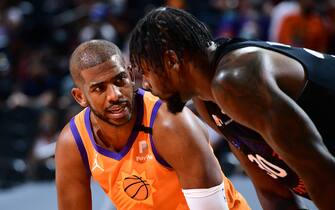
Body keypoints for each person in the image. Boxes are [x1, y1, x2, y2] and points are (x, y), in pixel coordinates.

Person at [129, 7, 335, 210]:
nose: (146, 84)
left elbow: (323, 175)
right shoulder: (207, 100)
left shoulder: (235, 80)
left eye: (147, 71)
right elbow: (273, 193)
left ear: (171, 60)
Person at [55, 39, 250, 210]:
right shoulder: (73, 143)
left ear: (131, 76)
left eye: (120, 80)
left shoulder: (171, 123)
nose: (115, 95)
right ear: (80, 97)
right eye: (99, 88)